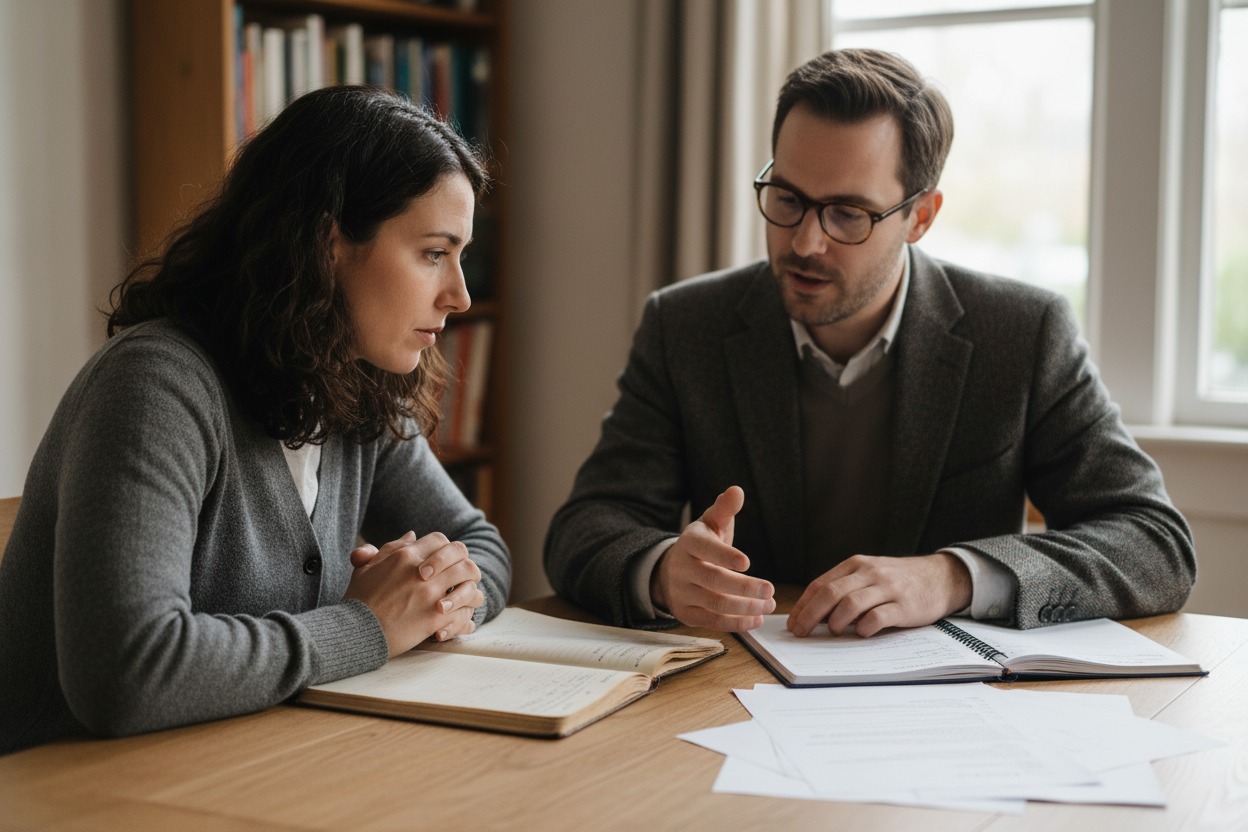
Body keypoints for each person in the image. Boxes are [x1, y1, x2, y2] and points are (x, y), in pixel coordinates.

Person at [544, 48, 1195, 638]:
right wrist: (662, 572)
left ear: (920, 216)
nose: (804, 242)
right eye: (788, 198)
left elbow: (1154, 543)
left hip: (954, 710)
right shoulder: (687, 326)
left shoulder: (1022, 334)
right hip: (740, 691)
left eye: (848, 214)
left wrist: (950, 577)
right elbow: (585, 527)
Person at [0, 86, 510, 756]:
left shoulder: (356, 383)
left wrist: (430, 591)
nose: (461, 295)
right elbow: (125, 672)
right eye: (433, 253)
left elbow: (482, 547)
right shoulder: (156, 388)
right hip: (63, 791)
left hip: (243, 767)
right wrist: (367, 626)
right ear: (330, 243)